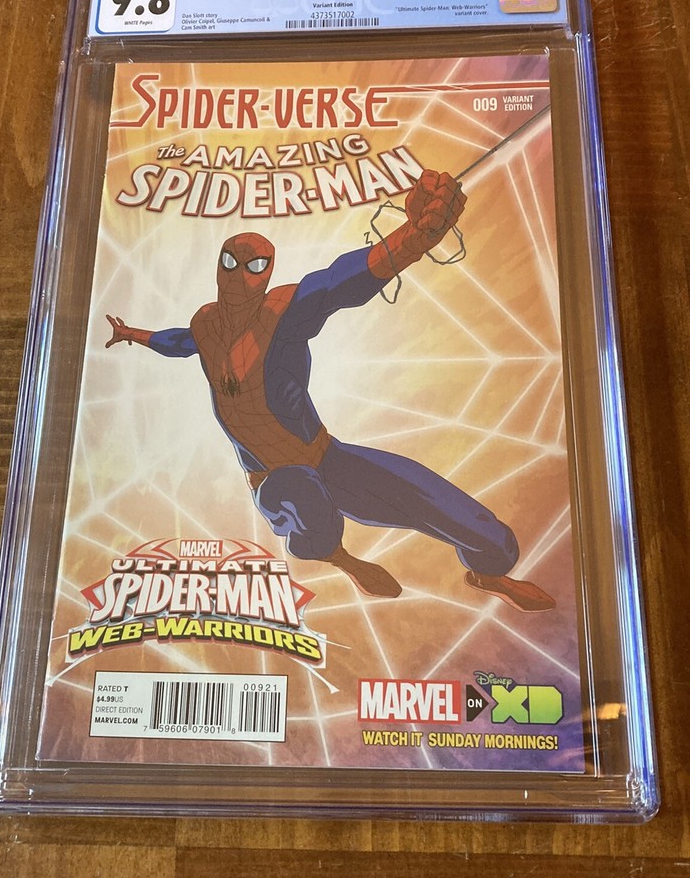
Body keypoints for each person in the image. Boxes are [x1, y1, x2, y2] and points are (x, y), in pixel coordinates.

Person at [106, 170, 555, 612]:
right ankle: (341, 557)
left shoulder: (283, 313)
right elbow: (178, 341)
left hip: (326, 457)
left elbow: (337, 283)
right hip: (276, 480)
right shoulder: (205, 325)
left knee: (458, 514)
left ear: (267, 273)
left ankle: (489, 572)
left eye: (254, 266)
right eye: (231, 263)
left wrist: (414, 238)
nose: (240, 276)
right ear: (218, 266)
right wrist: (132, 335)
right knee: (303, 494)